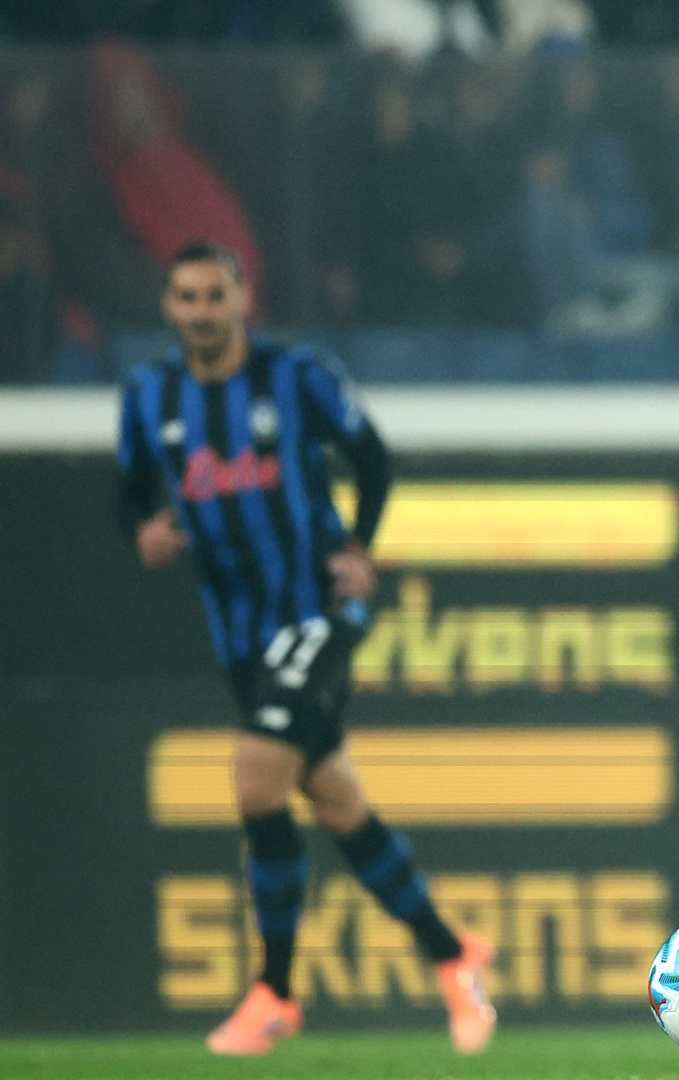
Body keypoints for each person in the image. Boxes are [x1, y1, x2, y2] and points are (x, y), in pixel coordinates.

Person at [115, 242, 495, 1057]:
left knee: (257, 777)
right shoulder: (150, 396)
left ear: (242, 298)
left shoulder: (295, 376)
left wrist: (359, 546)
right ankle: (452, 953)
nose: (202, 311)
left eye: (215, 295)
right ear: (169, 307)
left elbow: (372, 457)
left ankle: (275, 992)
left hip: (318, 608)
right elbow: (132, 493)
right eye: (187, 297)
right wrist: (143, 530)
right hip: (240, 634)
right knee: (336, 802)